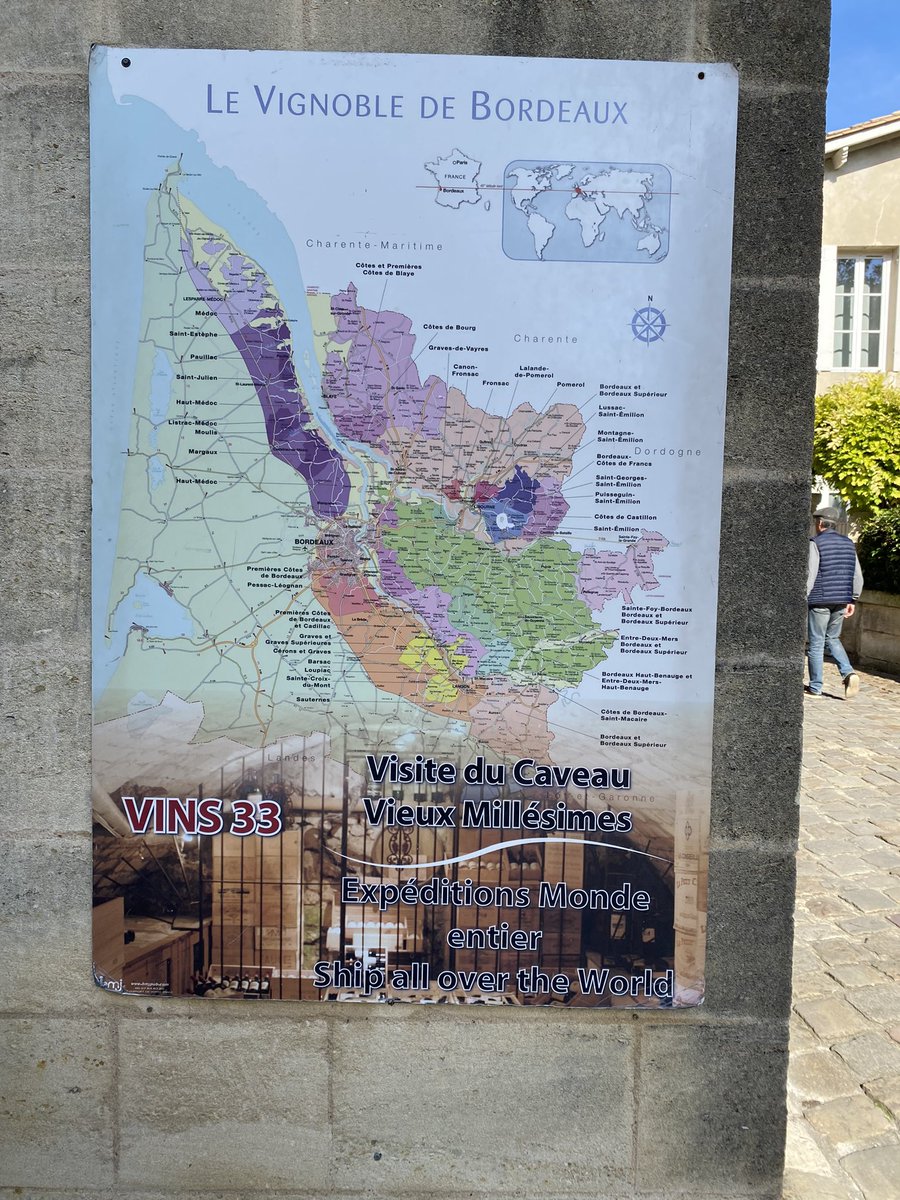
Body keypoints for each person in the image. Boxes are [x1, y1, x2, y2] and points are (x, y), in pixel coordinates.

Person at [806, 506, 863, 698]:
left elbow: (811, 573)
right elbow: (857, 575)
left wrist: (804, 596)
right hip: (842, 599)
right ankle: (848, 672)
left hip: (820, 599)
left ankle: (815, 686)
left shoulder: (815, 542)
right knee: (833, 638)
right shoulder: (848, 544)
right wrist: (853, 599)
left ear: (820, 523)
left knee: (816, 642)